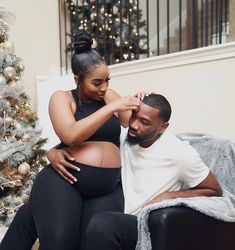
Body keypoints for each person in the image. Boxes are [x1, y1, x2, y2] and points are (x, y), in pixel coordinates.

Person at [0, 31, 141, 250]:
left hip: (106, 187)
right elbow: (71, 134)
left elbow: (132, 124)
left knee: (94, 241)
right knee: (61, 243)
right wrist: (111, 107)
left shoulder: (109, 95)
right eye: (96, 83)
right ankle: (33, 215)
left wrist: (141, 104)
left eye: (107, 81)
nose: (103, 88)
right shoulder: (62, 98)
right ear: (78, 79)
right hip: (63, 181)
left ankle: (31, 215)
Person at [48, 93, 222, 250]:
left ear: (163, 127)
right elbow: (92, 142)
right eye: (134, 116)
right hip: (118, 211)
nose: (134, 125)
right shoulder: (127, 137)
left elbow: (214, 190)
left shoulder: (180, 153)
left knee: (102, 225)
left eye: (144, 122)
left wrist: (169, 196)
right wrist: (53, 151)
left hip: (144, 223)